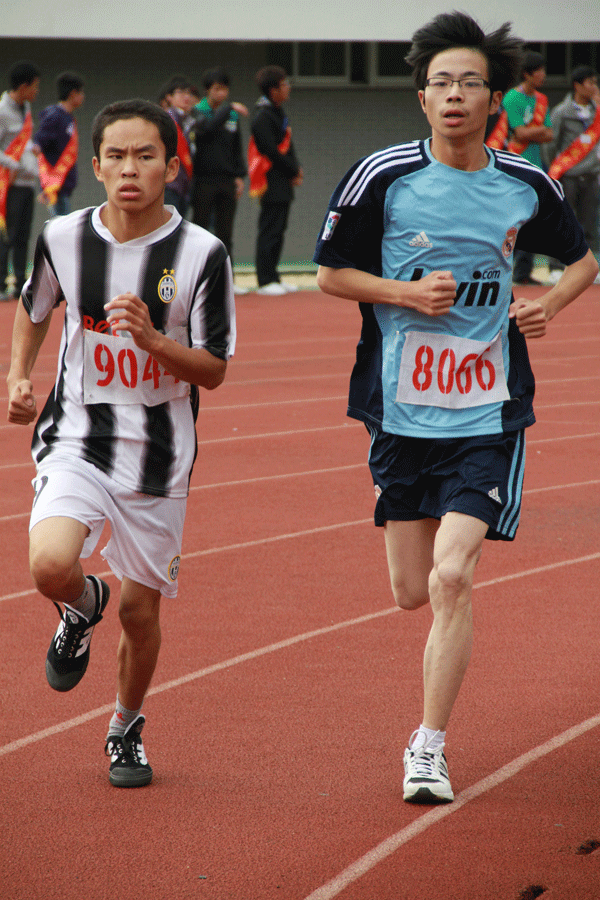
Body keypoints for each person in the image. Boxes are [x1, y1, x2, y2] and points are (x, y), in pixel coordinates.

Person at [314, 11, 598, 805]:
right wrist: (404, 293)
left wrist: (549, 305)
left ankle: (428, 747)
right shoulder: (382, 177)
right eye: (441, 82)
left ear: (493, 99)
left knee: (451, 576)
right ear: (422, 97)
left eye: (470, 82)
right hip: (401, 410)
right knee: (410, 589)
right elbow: (331, 274)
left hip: (488, 410)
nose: (454, 95)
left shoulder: (525, 184)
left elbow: (582, 262)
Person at [7, 99, 236, 787]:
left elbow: (213, 370)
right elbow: (34, 308)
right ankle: (81, 606)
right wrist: (18, 376)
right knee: (49, 566)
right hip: (76, 434)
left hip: (158, 453)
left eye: (145, 156)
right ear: (97, 165)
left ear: (171, 165)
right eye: (116, 156)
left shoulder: (202, 254)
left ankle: (125, 727)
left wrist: (155, 341)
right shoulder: (63, 237)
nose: (130, 169)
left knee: (140, 611)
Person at [191, 68, 248, 294]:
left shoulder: (232, 116)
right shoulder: (197, 111)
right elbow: (206, 131)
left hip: (227, 180)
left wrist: (239, 176)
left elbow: (237, 148)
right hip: (203, 180)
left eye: (225, 89)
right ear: (207, 90)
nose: (221, 93)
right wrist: (229, 108)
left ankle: (227, 281)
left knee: (225, 233)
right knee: (200, 230)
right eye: (216, 89)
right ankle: (197, 281)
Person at [499, 51, 554, 285]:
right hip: (513, 165)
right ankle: (507, 268)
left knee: (532, 217)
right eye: (539, 70)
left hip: (536, 166)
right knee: (513, 217)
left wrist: (532, 133)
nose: (543, 75)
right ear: (527, 74)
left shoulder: (541, 99)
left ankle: (523, 271)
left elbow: (550, 134)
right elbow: (518, 132)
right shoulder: (512, 98)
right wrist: (536, 132)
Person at [249, 65, 303, 295]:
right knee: (269, 229)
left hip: (282, 179)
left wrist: (295, 169)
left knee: (279, 229)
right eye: (284, 84)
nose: (288, 87)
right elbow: (270, 150)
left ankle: (274, 276)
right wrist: (292, 169)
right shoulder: (263, 115)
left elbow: (288, 146)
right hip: (270, 179)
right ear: (273, 90)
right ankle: (264, 280)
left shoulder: (277, 112)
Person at [545, 66, 600, 283]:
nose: (594, 86)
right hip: (568, 176)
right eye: (590, 82)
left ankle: (589, 268)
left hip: (592, 175)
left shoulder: (597, 111)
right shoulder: (562, 111)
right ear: (577, 85)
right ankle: (556, 267)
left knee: (589, 225)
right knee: (565, 222)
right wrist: (558, 170)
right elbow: (551, 144)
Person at [0, 61, 41, 302]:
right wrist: (15, 164)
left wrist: (33, 151)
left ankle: (19, 285)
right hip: (9, 184)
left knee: (24, 236)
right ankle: (1, 283)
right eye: (35, 86)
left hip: (27, 183)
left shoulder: (25, 107)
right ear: (24, 86)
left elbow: (24, 141)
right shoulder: (2, 110)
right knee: (8, 235)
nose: (37, 91)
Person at [33, 71, 85, 217]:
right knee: (59, 225)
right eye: (81, 92)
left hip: (63, 187)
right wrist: (45, 183)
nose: (83, 97)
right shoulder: (55, 116)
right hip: (55, 187)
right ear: (73, 93)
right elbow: (38, 145)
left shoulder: (67, 117)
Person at [158, 75, 195, 216]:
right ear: (169, 97)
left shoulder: (189, 120)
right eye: (181, 92)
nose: (186, 97)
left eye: (188, 93)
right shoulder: (165, 120)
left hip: (184, 185)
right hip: (169, 184)